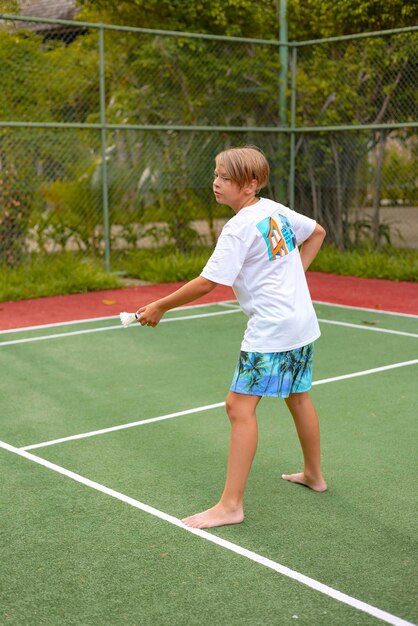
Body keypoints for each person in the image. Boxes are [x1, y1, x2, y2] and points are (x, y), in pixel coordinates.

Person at [136, 145, 327, 529]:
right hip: (301, 321)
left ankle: (230, 506)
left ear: (250, 184)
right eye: (216, 175)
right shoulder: (273, 210)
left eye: (225, 178)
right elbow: (317, 232)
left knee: (238, 408)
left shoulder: (238, 228)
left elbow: (208, 283)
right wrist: (295, 280)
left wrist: (159, 305)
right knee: (297, 395)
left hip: (272, 327)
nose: (216, 183)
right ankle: (314, 476)